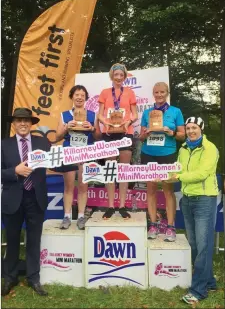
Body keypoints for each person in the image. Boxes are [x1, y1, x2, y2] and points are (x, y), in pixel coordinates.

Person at [1, 108, 51, 296]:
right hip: (12, 199)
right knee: (12, 240)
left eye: (26, 120)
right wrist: (15, 171)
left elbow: (58, 161)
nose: (23, 123)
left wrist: (80, 159)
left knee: (34, 240)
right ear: (13, 124)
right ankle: (9, 277)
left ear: (31, 123)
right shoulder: (3, 145)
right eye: (19, 120)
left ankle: (34, 278)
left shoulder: (42, 142)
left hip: (35, 198)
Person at [171, 117, 219, 305]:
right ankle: (210, 282)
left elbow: (202, 173)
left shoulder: (210, 149)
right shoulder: (183, 148)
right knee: (195, 244)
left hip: (205, 200)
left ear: (202, 129)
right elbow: (178, 169)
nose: (191, 131)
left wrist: (178, 176)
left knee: (203, 245)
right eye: (188, 128)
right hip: (187, 199)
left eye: (195, 128)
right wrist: (165, 174)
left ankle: (198, 290)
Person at [139, 82, 185, 241]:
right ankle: (153, 224)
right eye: (156, 92)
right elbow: (140, 137)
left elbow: (182, 135)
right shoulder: (147, 113)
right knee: (151, 189)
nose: (159, 95)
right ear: (153, 93)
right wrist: (146, 133)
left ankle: (170, 226)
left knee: (168, 190)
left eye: (162, 92)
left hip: (168, 154)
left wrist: (169, 132)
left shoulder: (175, 111)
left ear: (167, 93)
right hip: (148, 153)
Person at [56, 85, 101, 230]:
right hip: (69, 152)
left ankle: (81, 216)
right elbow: (57, 136)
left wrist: (92, 128)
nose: (79, 97)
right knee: (69, 186)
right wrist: (66, 127)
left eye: (82, 95)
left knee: (83, 186)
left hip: (86, 153)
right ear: (72, 97)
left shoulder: (92, 115)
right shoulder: (64, 115)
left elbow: (98, 136)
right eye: (77, 94)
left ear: (86, 98)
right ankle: (67, 216)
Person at [98, 63, 138, 219]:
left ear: (125, 77)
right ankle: (110, 205)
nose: (119, 78)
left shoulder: (130, 93)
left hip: (125, 132)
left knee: (123, 170)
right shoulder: (105, 92)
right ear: (112, 76)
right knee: (110, 169)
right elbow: (100, 114)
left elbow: (134, 114)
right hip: (109, 132)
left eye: (122, 75)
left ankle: (122, 205)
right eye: (116, 75)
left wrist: (128, 122)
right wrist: (105, 122)